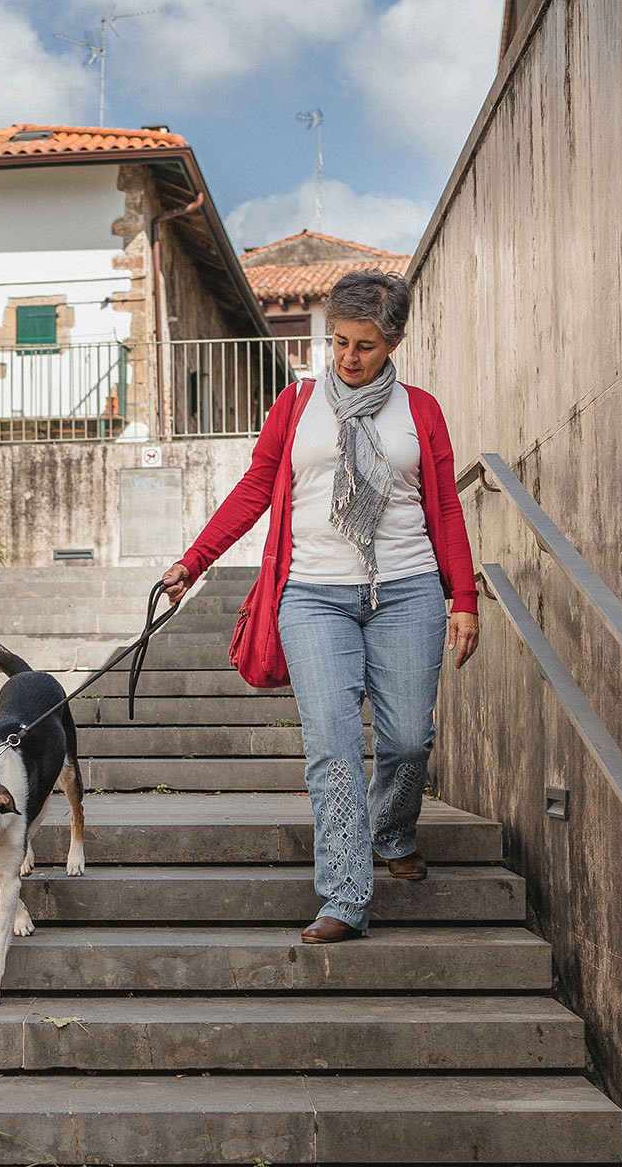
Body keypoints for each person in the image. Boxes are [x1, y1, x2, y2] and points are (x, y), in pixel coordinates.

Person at [161, 270, 479, 944]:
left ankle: (392, 829)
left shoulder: (420, 411)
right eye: (338, 341)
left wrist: (464, 597)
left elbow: (445, 507)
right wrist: (195, 560)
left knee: (407, 739)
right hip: (311, 596)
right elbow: (255, 488)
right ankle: (344, 895)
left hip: (408, 588)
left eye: (364, 345)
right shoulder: (297, 402)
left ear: (391, 342)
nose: (348, 358)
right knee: (333, 746)